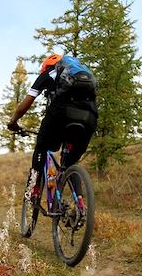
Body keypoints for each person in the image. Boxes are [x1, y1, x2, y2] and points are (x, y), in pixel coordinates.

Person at [7, 53, 98, 197]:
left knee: (42, 146)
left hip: (62, 113)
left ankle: (34, 189)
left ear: (46, 65)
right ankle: (80, 206)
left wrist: (13, 121)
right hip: (89, 116)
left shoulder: (48, 73)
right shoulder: (82, 74)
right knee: (70, 163)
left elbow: (26, 104)